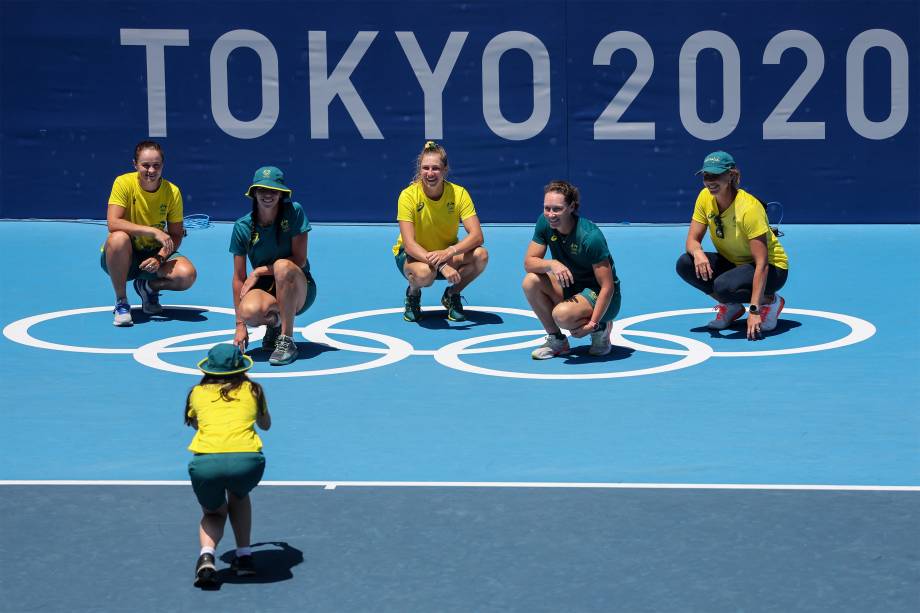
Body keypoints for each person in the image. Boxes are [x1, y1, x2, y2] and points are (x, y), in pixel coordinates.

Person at [675, 151, 789, 340]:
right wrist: (698, 253)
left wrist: (753, 310)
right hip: (734, 264)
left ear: (730, 175)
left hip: (772, 269)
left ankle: (771, 301)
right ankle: (732, 306)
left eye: (716, 175)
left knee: (723, 287)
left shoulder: (749, 208)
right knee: (686, 264)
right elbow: (692, 240)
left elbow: (762, 263)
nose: (710, 181)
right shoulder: (704, 197)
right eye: (706, 176)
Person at [185, 343, 271, 587]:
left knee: (213, 512)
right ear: (241, 368)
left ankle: (207, 556)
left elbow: (196, 424)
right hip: (247, 462)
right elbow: (265, 425)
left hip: (206, 465)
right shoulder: (254, 390)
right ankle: (244, 557)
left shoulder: (196, 393)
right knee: (239, 496)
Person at [101, 140, 197, 326]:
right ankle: (121, 302)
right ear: (135, 164)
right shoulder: (123, 183)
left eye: (156, 165)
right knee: (118, 238)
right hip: (122, 257)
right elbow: (113, 223)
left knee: (187, 276)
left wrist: (160, 257)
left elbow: (176, 235)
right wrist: (153, 231)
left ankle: (147, 287)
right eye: (145, 165)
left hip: (153, 256)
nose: (151, 171)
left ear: (163, 166)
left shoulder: (173, 192)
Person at [522, 180, 622, 359]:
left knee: (561, 315)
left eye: (557, 209)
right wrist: (552, 264)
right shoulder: (544, 223)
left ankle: (602, 329)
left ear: (571, 207)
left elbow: (607, 287)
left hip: (601, 295)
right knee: (530, 281)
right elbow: (529, 263)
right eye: (547, 208)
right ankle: (557, 340)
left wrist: (592, 324)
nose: (550, 214)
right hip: (572, 286)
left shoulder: (590, 237)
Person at [392, 141, 489, 322]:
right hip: (412, 257)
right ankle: (413, 294)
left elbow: (477, 236)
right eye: (425, 168)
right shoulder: (408, 196)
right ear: (420, 170)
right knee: (424, 274)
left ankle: (452, 294)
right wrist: (441, 266)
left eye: (435, 168)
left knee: (481, 255)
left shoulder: (459, 194)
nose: (430, 173)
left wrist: (448, 252)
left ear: (445, 169)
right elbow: (410, 245)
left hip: (446, 254)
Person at [230, 166, 317, 366]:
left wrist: (260, 270)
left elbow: (300, 260)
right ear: (254, 193)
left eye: (273, 190)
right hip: (267, 290)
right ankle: (276, 325)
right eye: (262, 190)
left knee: (282, 266)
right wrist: (240, 325)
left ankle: (287, 340)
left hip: (300, 287)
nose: (267, 195)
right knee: (249, 311)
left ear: (281, 194)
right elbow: (238, 278)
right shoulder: (242, 227)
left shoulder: (294, 212)